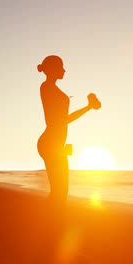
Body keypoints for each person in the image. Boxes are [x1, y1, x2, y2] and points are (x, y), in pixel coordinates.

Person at [37, 55, 101, 206]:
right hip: (50, 143)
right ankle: (48, 223)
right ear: (52, 69)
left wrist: (88, 107)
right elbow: (58, 120)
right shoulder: (46, 87)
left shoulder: (52, 89)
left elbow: (63, 120)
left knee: (61, 190)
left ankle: (52, 221)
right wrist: (88, 107)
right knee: (59, 190)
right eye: (61, 67)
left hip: (55, 143)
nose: (64, 70)